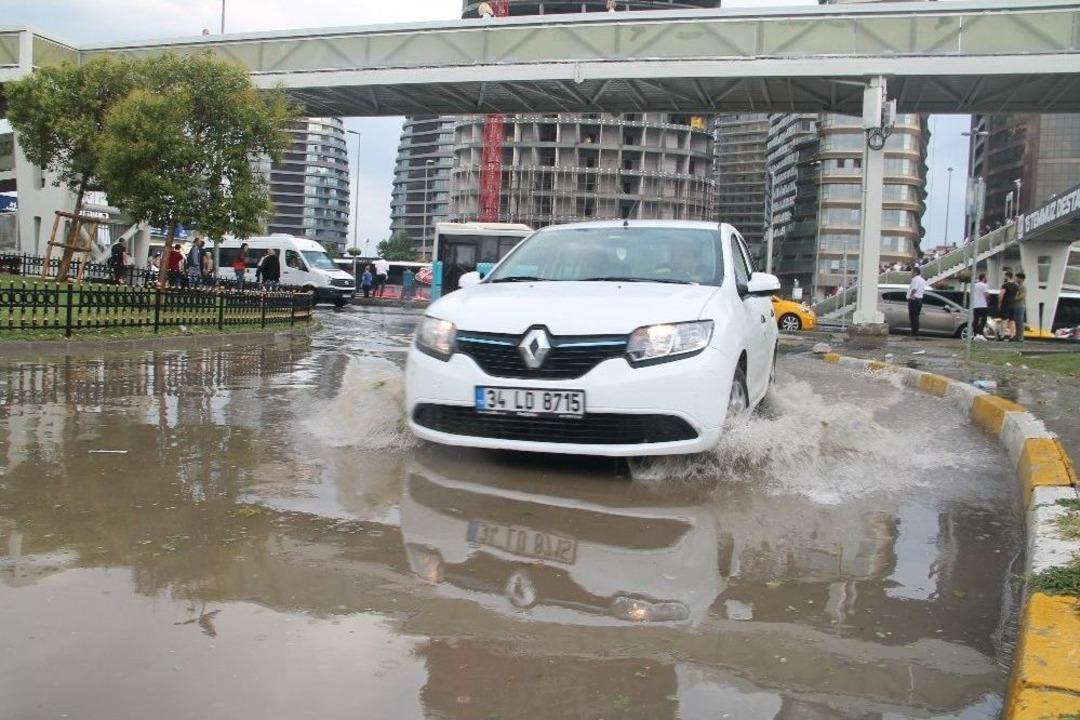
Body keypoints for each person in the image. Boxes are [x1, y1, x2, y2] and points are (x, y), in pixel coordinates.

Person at [907, 266, 927, 337]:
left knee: (912, 317)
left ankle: (913, 332)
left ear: (915, 273)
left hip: (914, 299)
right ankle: (915, 331)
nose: (910, 273)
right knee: (916, 317)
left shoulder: (915, 279)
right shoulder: (922, 280)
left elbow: (914, 289)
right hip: (919, 299)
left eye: (911, 272)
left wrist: (911, 295)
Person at [999, 270, 1018, 341]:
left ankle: (1002, 335)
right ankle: (1012, 336)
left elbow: (1001, 294)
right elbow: (1016, 296)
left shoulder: (1005, 285)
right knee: (1012, 320)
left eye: (1005, 275)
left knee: (1004, 320)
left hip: (1005, 304)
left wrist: (999, 303)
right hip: (1013, 305)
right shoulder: (1016, 286)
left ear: (1007, 276)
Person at [973, 272, 990, 338]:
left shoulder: (975, 285)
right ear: (983, 278)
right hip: (983, 305)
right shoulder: (984, 285)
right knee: (984, 320)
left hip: (975, 305)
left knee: (976, 320)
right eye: (985, 277)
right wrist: (988, 300)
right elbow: (986, 295)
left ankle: (975, 334)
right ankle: (980, 333)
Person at [1013, 272, 1027, 343]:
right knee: (1016, 321)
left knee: (1020, 322)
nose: (1016, 279)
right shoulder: (1018, 286)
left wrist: (1014, 298)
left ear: (1021, 279)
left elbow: (1022, 296)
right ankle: (1017, 336)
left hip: (1020, 306)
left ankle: (1020, 337)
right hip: (1016, 306)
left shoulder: (1023, 287)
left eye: (1017, 278)